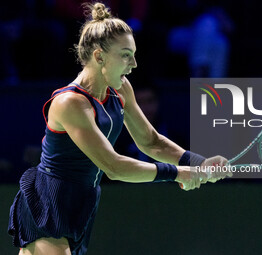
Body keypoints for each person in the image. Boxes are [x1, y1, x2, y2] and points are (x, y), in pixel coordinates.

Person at [8, 2, 231, 255]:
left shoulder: (121, 88)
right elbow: (113, 166)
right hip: (50, 202)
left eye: (133, 54)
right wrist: (179, 173)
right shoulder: (70, 103)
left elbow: (151, 142)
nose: (134, 63)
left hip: (83, 201)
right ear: (99, 56)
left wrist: (198, 162)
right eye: (125, 54)